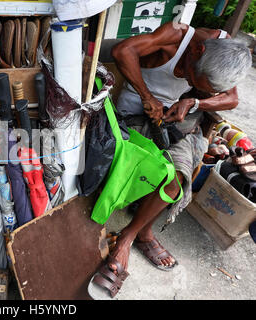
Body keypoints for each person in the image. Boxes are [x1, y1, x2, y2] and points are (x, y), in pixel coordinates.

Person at [88, 22, 252, 299]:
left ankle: (130, 237)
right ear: (197, 51)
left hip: (170, 119)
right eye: (191, 78)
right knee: (142, 163)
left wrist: (193, 103)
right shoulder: (174, 37)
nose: (188, 84)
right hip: (132, 115)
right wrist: (146, 95)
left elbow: (232, 99)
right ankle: (139, 232)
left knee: (177, 177)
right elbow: (122, 50)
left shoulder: (224, 49)